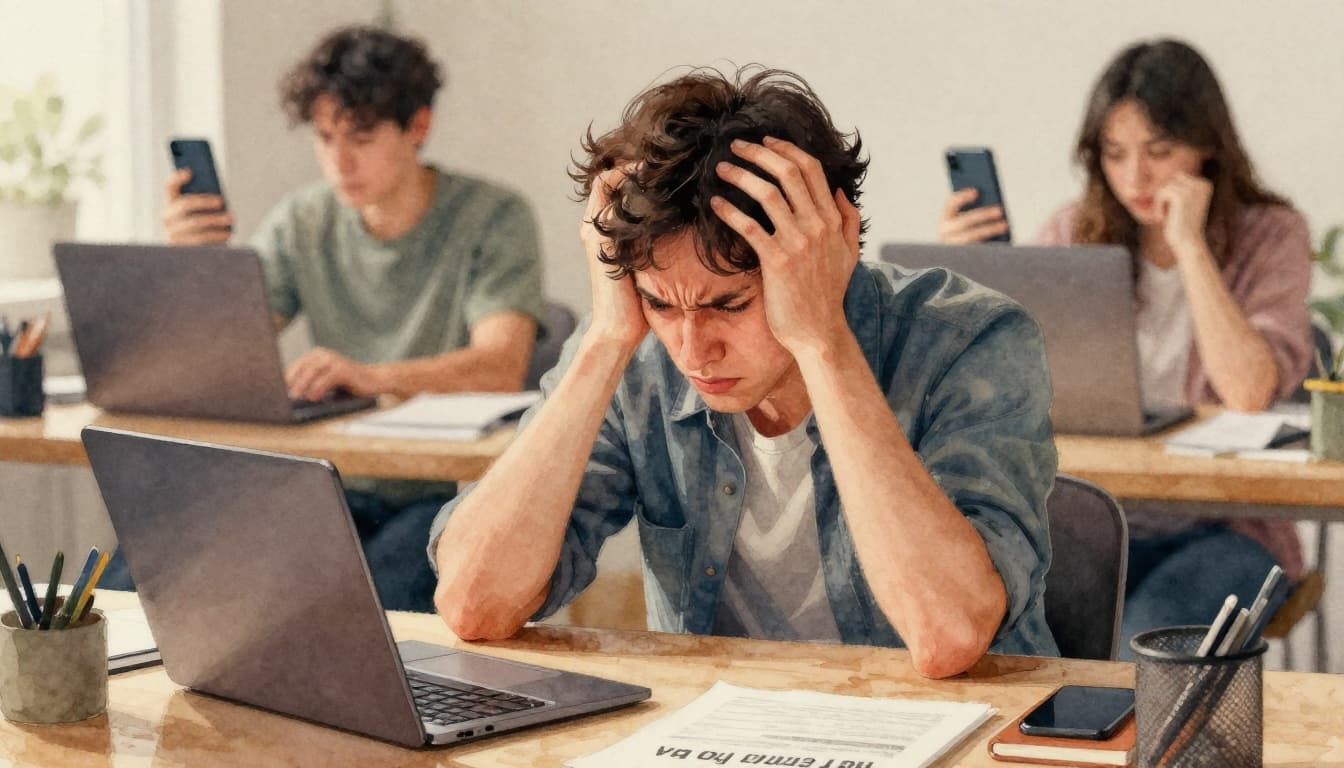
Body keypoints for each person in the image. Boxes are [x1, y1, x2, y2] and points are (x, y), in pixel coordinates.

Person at [429, 66, 1060, 679]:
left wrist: (822, 341)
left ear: (824, 248)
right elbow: (474, 605)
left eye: (729, 304)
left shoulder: (969, 341)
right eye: (659, 302)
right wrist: (605, 337)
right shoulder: (637, 347)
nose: (693, 349)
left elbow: (947, 635)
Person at [104, 25, 545, 612]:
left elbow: (499, 366)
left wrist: (372, 376)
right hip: (321, 484)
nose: (339, 161)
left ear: (417, 126)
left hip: (443, 495)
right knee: (142, 559)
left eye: (360, 136)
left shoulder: (493, 217)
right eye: (324, 137)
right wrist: (195, 264)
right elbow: (217, 352)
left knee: (373, 610)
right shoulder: (305, 219)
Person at [937, 38, 1313, 657]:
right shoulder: (1071, 230)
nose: (1135, 177)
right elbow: (996, 375)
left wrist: (1190, 246)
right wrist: (963, 270)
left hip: (1226, 528)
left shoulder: (1272, 234)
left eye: (1159, 152)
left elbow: (1248, 391)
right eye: (1115, 154)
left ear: (1207, 147)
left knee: (1142, 649)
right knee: (1007, 635)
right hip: (1097, 520)